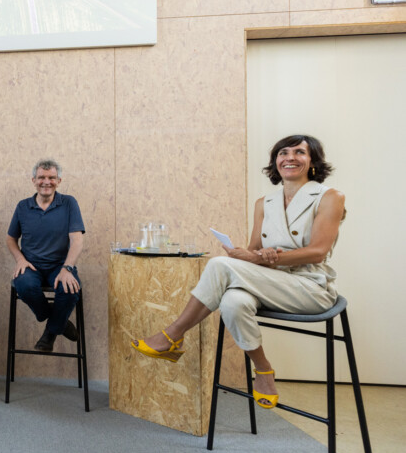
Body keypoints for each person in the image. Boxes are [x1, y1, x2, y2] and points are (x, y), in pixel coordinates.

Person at [132, 134, 344, 409]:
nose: (290, 158)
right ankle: (264, 370)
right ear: (275, 162)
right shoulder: (264, 203)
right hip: (271, 282)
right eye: (283, 153)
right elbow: (255, 253)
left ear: (312, 161)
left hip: (309, 286)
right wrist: (245, 254)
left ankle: (173, 334)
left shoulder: (329, 197)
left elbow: (318, 251)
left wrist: (265, 258)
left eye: (299, 153)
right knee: (232, 302)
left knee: (220, 265)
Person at [6, 159, 85, 352]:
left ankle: (50, 334)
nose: (46, 182)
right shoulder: (23, 207)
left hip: (60, 265)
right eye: (41, 177)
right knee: (24, 285)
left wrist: (67, 268)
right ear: (34, 180)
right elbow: (10, 239)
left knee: (70, 289)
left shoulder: (69, 203)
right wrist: (20, 260)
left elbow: (76, 240)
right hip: (31, 266)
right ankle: (59, 323)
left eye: (51, 178)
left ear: (59, 180)